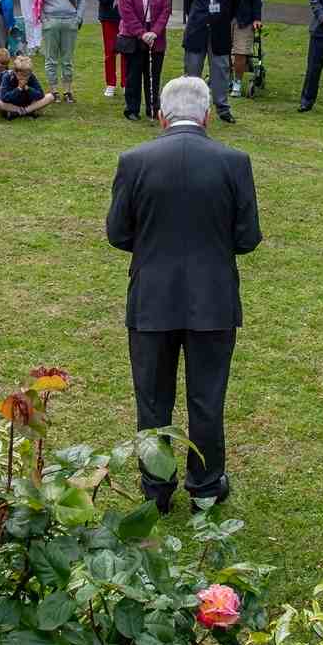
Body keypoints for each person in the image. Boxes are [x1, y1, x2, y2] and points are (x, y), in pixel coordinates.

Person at [106, 74, 262, 511]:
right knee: (207, 397)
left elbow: (118, 233)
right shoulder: (234, 162)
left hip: (152, 297)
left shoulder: (133, 161)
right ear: (208, 115)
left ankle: (156, 490)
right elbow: (247, 237)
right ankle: (207, 488)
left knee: (152, 400)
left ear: (160, 116)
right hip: (212, 298)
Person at [182, 0, 238, 123]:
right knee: (192, 71)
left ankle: (222, 107)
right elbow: (187, 4)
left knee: (221, 70)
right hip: (197, 30)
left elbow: (234, 7)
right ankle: (191, 108)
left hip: (220, 32)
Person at [117, 0, 171, 121]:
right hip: (133, 35)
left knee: (153, 75)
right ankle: (132, 109)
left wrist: (154, 32)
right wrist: (141, 33)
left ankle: (153, 108)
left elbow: (165, 10)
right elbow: (127, 12)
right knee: (133, 74)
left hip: (156, 35)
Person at [32, 0, 85, 101]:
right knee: (51, 59)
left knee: (67, 59)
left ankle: (68, 91)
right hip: (51, 21)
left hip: (70, 21)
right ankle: (53, 91)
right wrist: (44, 19)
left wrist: (79, 17)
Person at [92, 0, 131, 98]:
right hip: (109, 16)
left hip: (126, 18)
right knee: (110, 51)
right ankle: (110, 83)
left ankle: (125, 83)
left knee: (126, 51)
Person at [227, 0, 263, 98]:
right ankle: (225, 79)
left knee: (240, 52)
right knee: (223, 52)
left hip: (244, 18)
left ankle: (237, 82)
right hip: (224, 18)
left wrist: (257, 18)